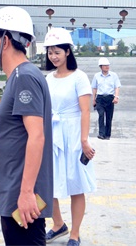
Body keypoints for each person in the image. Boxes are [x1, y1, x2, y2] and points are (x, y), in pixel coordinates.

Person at [0, 6, 53, 246]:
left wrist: (26, 193)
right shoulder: (19, 76)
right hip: (14, 190)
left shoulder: (25, 77)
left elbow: (37, 136)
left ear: (5, 40)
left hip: (21, 196)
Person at [43, 28, 96, 246]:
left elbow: (85, 111)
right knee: (48, 182)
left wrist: (84, 141)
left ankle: (74, 233)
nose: (53, 57)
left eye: (57, 52)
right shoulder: (48, 78)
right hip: (52, 132)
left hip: (73, 134)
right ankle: (58, 224)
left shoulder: (79, 77)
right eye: (50, 52)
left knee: (76, 184)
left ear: (67, 52)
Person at [91, 57, 121, 140]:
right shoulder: (96, 76)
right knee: (101, 115)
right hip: (100, 98)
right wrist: (94, 99)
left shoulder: (113, 75)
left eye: (108, 65)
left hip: (110, 98)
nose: (107, 67)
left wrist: (116, 97)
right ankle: (101, 134)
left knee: (108, 117)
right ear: (101, 67)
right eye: (105, 65)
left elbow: (117, 87)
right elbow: (94, 88)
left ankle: (107, 135)